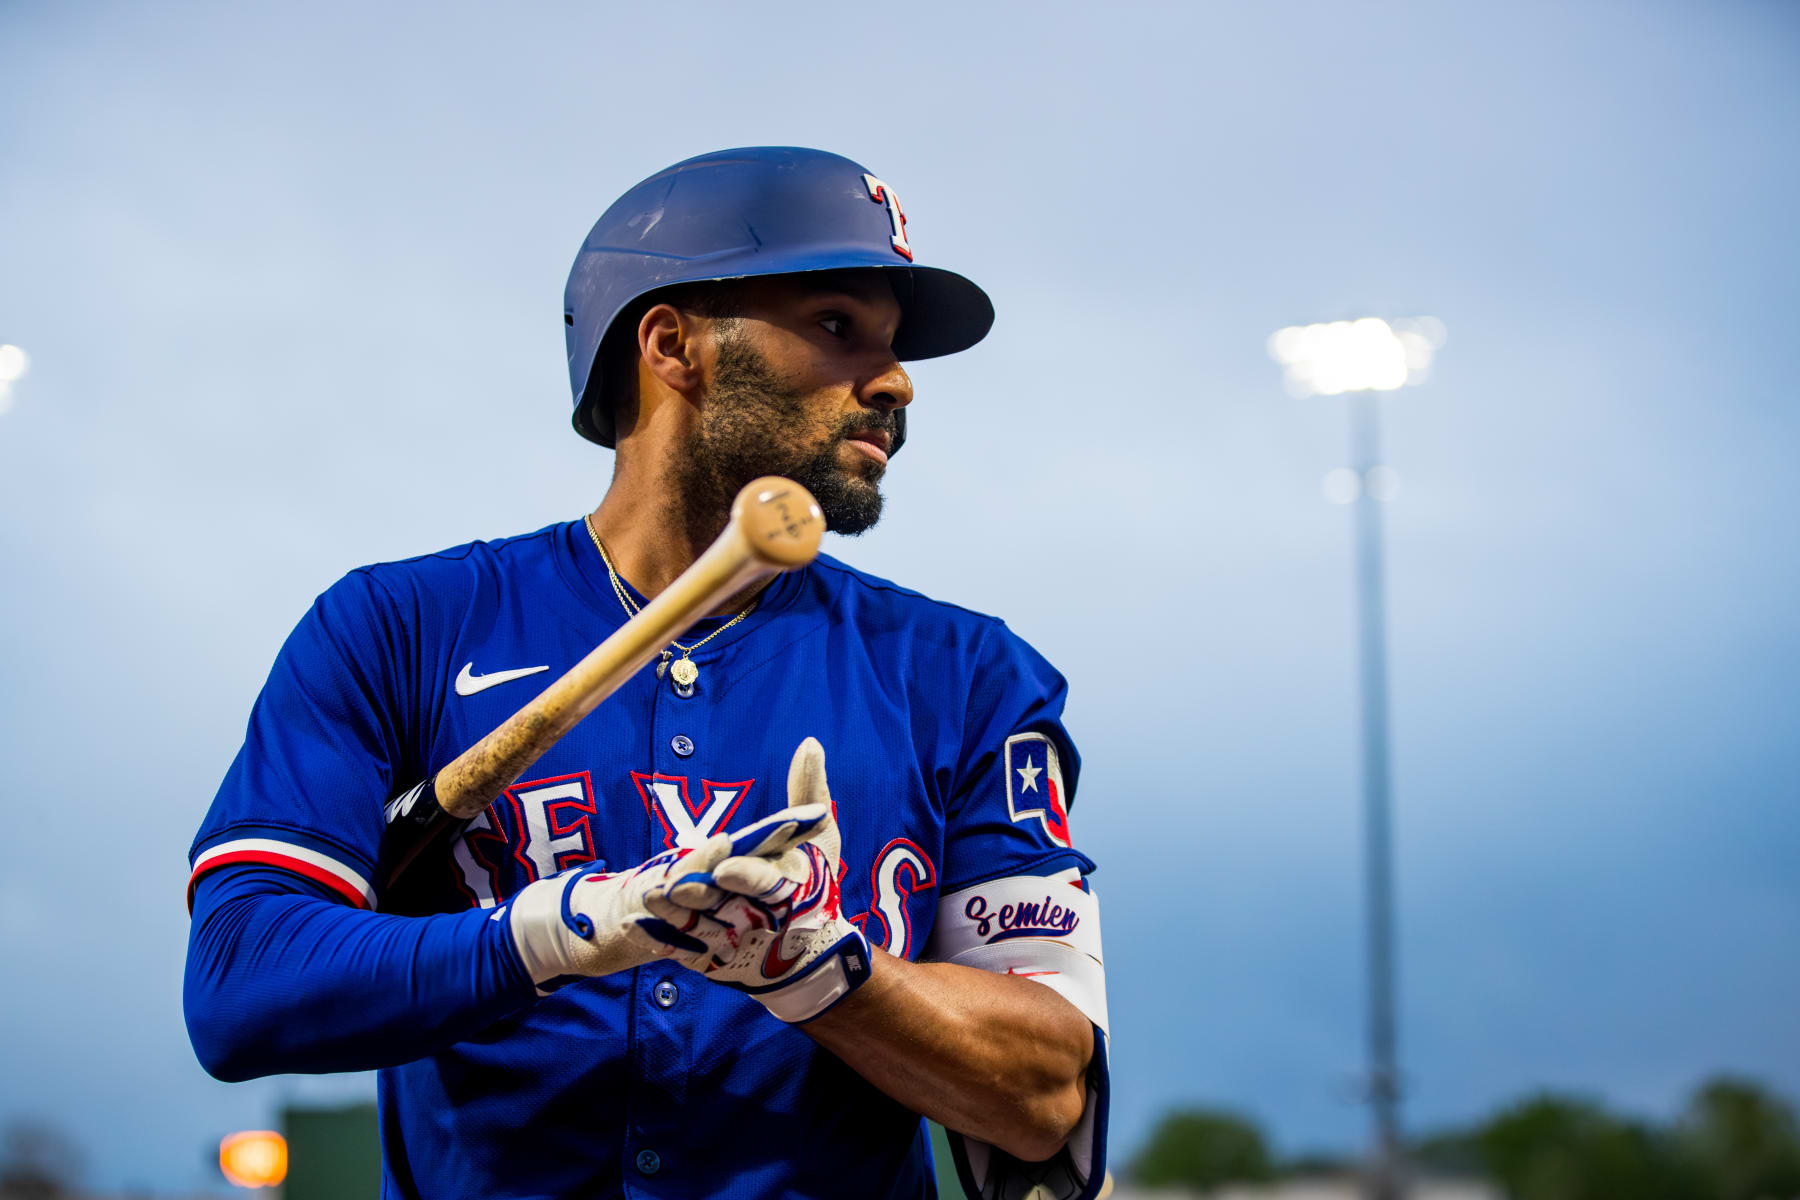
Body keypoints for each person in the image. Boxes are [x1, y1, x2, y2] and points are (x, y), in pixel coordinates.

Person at [184, 146, 1109, 1200]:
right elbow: (241, 985)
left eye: (892, 347)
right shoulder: (402, 627)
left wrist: (820, 970)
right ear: (673, 345)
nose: (894, 382)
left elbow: (1046, 1097)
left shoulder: (964, 672)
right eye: (837, 326)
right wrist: (565, 929)